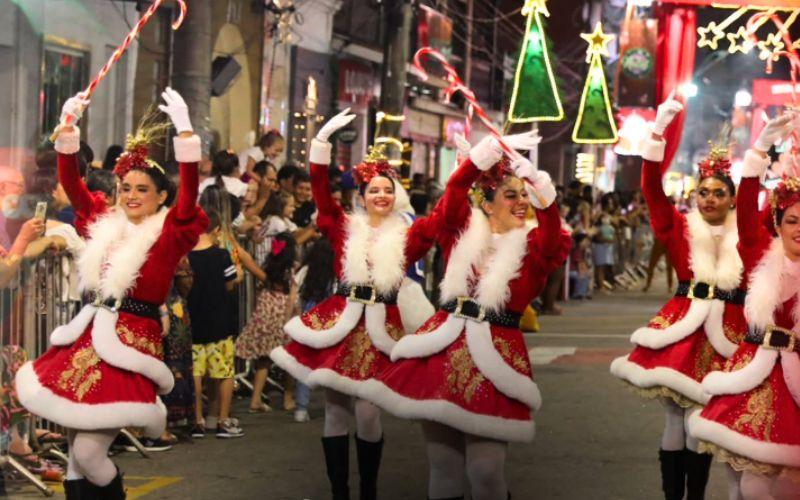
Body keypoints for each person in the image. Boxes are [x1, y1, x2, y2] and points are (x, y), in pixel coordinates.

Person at [14, 88, 207, 498]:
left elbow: (190, 198)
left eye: (141, 189)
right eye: (125, 187)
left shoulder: (169, 232)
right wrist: (67, 131)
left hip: (131, 343)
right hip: (88, 338)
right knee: (74, 458)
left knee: (89, 453)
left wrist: (186, 135)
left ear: (161, 196)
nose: (131, 195)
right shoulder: (104, 221)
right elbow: (71, 181)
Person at [361, 133, 569, 500]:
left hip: (496, 356)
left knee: (486, 472)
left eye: (524, 195)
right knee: (443, 468)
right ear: (487, 204)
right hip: (443, 347)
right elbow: (455, 192)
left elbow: (554, 235)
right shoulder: (460, 233)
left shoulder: (534, 246)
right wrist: (482, 155)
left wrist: (544, 192)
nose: (522, 202)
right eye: (511, 194)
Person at [269, 109, 445, 500]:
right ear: (361, 197)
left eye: (387, 189)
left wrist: (468, 167)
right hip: (342, 322)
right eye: (373, 190)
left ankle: (368, 489)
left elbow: (444, 218)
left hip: (382, 326)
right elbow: (319, 191)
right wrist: (321, 144)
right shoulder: (342, 226)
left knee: (368, 412)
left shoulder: (410, 235)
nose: (381, 195)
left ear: (394, 194)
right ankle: (339, 493)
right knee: (334, 410)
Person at [610, 95, 757, 500]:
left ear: (731, 199)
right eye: (703, 192)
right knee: (676, 417)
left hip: (729, 330)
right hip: (684, 326)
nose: (709, 198)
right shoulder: (678, 229)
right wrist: (657, 134)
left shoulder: (745, 234)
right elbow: (651, 189)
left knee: (704, 419)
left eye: (718, 193)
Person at [687, 113, 800, 500]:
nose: (799, 229)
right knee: (747, 482)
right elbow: (748, 209)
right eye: (792, 221)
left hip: (796, 383)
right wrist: (759, 151)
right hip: (753, 375)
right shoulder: (757, 254)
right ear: (779, 224)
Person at [187, 210, 244, 439]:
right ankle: (222, 420)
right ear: (218, 230)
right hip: (219, 322)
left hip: (194, 322)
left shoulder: (186, 256)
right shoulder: (221, 255)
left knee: (196, 373)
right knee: (224, 371)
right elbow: (230, 285)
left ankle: (198, 420)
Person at [236, 232, 297, 413]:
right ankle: (288, 399)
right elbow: (293, 295)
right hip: (283, 312)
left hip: (266, 313)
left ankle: (255, 400)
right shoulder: (292, 269)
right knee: (290, 358)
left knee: (264, 359)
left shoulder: (268, 266)